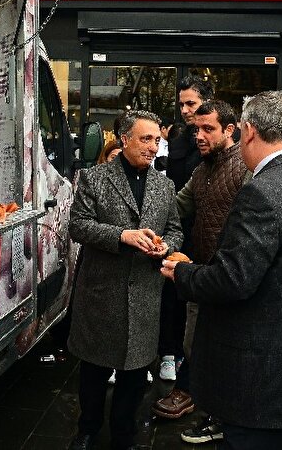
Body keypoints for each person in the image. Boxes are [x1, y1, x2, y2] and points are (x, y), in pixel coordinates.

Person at [161, 91, 282, 449]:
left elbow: (231, 280)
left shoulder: (262, 192)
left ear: (248, 131)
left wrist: (184, 272)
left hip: (269, 386)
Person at [68, 110, 183, 450]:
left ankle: (124, 435)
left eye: (157, 140)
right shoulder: (95, 179)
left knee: (134, 376)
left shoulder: (165, 185)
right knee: (93, 371)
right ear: (124, 139)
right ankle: (87, 429)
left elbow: (175, 229)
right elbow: (78, 226)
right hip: (102, 292)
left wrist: (165, 246)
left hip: (145, 293)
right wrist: (122, 235)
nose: (153, 147)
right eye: (145, 139)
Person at [152, 100, 248, 445]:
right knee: (195, 345)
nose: (199, 136)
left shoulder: (244, 169)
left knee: (225, 351)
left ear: (230, 131)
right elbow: (179, 204)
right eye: (196, 129)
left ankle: (223, 418)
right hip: (200, 273)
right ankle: (209, 408)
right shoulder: (202, 170)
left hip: (231, 277)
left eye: (208, 129)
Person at [159, 75, 213, 382]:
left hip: (205, 232)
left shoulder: (218, 145)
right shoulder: (178, 143)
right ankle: (170, 352)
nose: (185, 110)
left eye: (191, 103)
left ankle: (192, 360)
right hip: (179, 229)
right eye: (181, 104)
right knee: (173, 296)